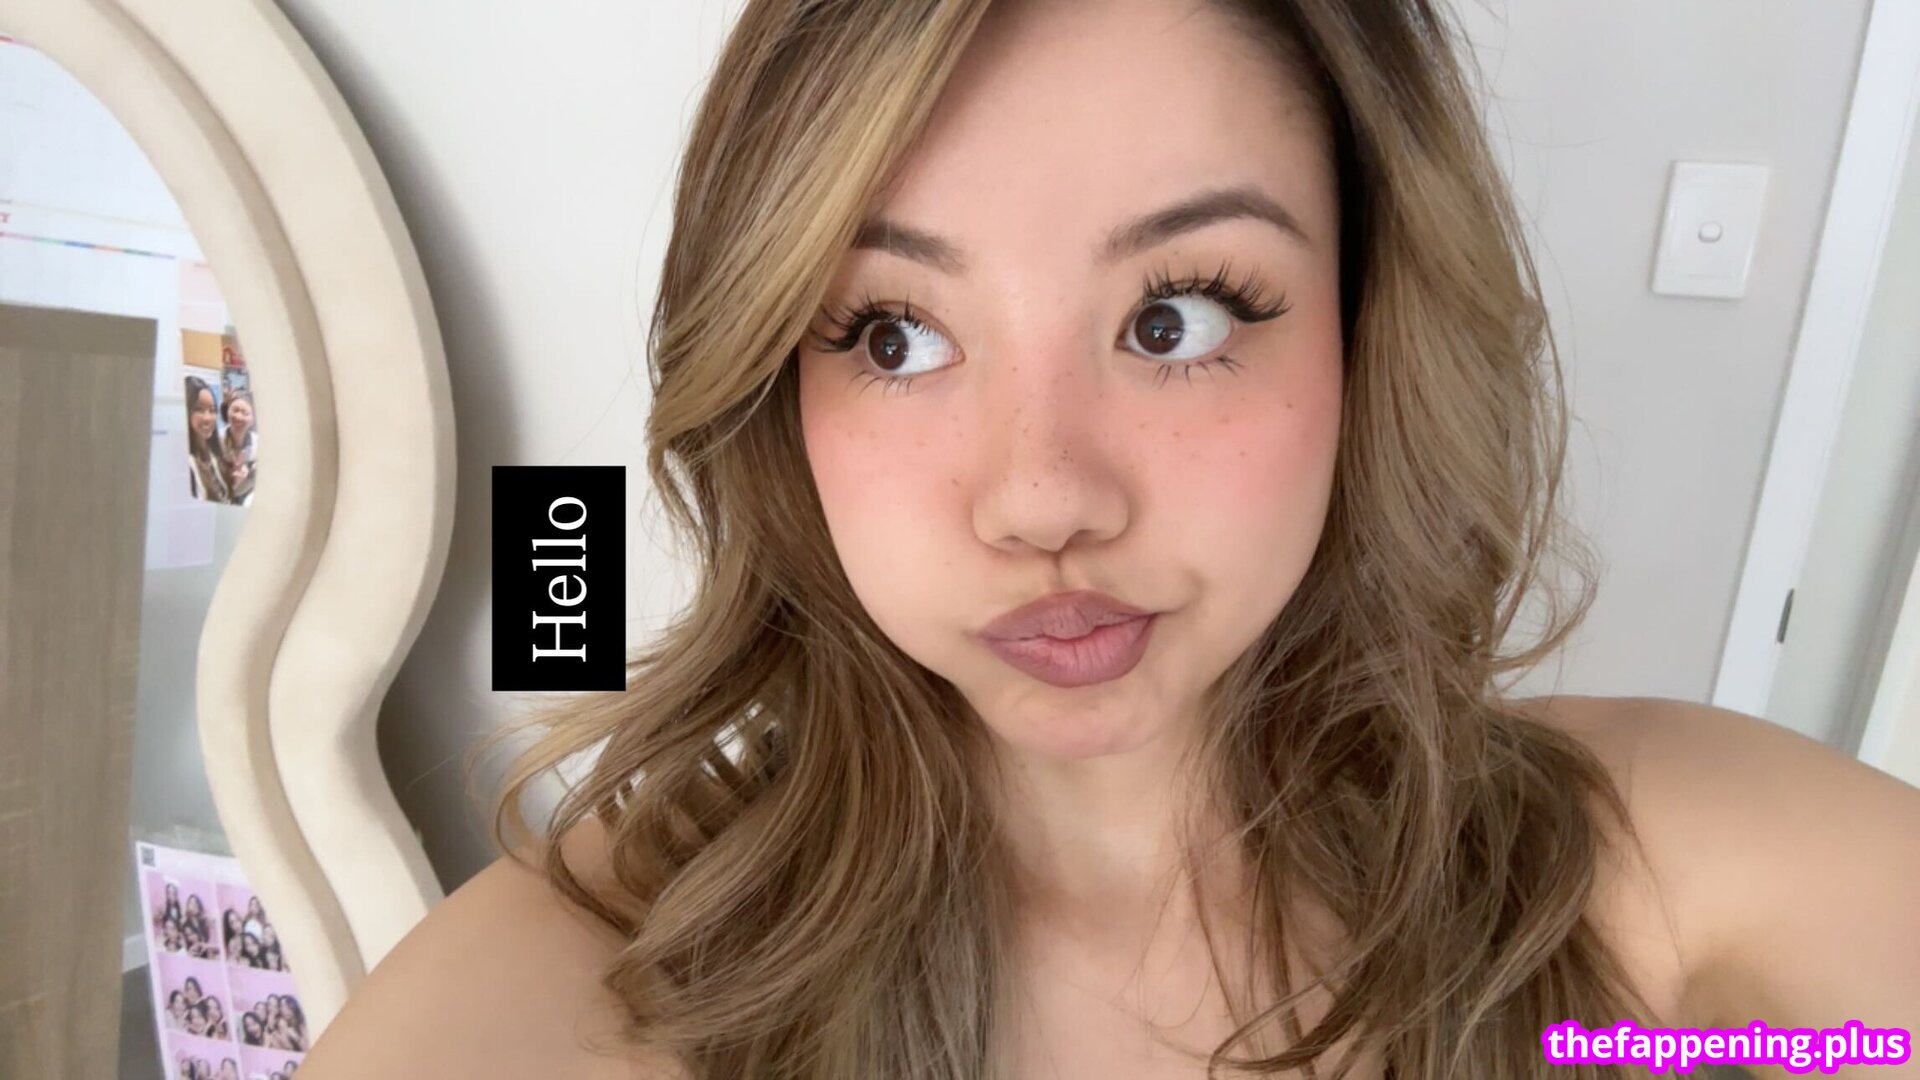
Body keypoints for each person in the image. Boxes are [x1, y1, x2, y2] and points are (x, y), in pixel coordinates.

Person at [300, 1, 1920, 1077]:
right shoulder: (627, 972)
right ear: (776, 387)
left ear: (1366, 328)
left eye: (1177, 316)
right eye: (891, 335)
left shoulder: (1641, 910)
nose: (1042, 498)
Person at [185, 375, 231, 503]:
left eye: (212, 410)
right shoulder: (187, 465)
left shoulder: (216, 451)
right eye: (199, 409)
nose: (208, 418)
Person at [221, 389, 257, 505]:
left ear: (253, 419)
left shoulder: (259, 444)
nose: (238, 417)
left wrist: (249, 470)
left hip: (248, 498)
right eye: (235, 410)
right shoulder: (215, 440)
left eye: (245, 413)